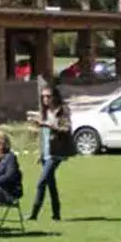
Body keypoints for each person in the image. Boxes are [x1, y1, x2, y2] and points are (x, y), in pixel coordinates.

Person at [31, 86, 74, 222]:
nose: (46, 99)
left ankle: (34, 213)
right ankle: (56, 214)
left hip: (56, 152)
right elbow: (43, 135)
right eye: (43, 96)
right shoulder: (44, 112)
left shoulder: (62, 111)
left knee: (41, 182)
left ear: (55, 96)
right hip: (46, 152)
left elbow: (66, 128)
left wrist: (47, 125)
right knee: (50, 184)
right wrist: (41, 152)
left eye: (48, 96)